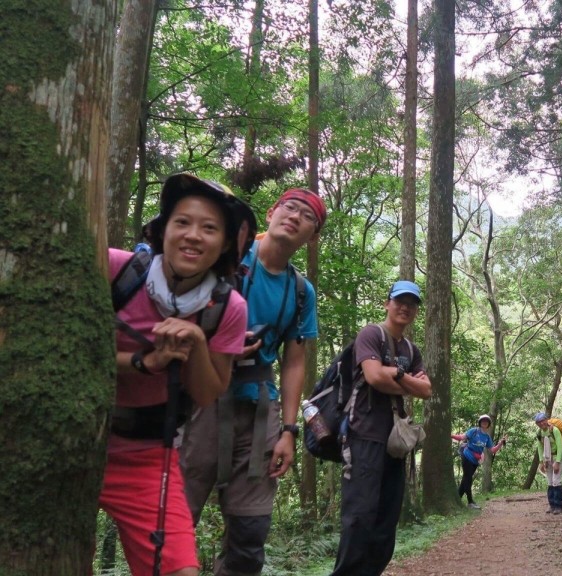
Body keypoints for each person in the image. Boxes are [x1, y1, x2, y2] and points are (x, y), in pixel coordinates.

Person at [101, 173, 253, 576]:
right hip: (76, 439)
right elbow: (56, 343)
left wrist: (197, 345)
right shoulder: (115, 270)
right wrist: (142, 362)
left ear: (223, 244)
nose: (193, 235)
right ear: (162, 229)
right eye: (182, 222)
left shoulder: (228, 308)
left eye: (209, 228)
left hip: (147, 455)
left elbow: (207, 394)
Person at [180, 187, 326, 574]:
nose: (295, 217)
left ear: (312, 236)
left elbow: (294, 362)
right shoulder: (227, 257)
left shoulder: (300, 291)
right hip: (202, 399)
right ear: (271, 212)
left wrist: (290, 430)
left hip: (260, 409)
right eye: (289, 208)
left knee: (249, 534)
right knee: (175, 520)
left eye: (307, 216)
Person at [332, 280, 432, 576]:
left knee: (386, 521)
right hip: (363, 434)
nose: (405, 307)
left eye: (411, 304)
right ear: (387, 303)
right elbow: (374, 377)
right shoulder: (371, 334)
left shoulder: (411, 350)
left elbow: (426, 390)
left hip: (395, 442)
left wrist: (397, 373)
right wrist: (406, 379)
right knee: (359, 517)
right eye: (399, 301)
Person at [451, 414, 508, 509]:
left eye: (486, 421)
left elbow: (492, 450)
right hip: (467, 455)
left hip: (475, 460)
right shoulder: (474, 431)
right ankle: (470, 502)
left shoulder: (487, 437)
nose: (484, 422)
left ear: (489, 424)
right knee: (468, 479)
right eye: (483, 421)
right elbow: (462, 437)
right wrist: (451, 435)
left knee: (465, 480)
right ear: (480, 422)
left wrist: (500, 443)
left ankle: (457, 500)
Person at [533, 412, 562, 514]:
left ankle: (559, 506)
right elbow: (540, 447)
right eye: (539, 422)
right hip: (547, 458)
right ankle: (552, 505)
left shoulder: (555, 430)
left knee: (556, 480)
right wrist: (541, 461)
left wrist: (557, 462)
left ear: (546, 420)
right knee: (549, 481)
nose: (541, 423)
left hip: (558, 456)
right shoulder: (539, 433)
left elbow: (560, 446)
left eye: (543, 421)